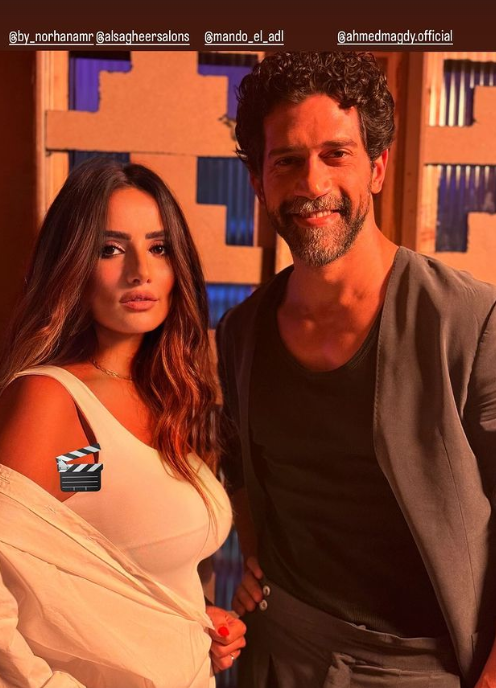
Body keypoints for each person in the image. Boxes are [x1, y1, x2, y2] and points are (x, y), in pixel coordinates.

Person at [216, 51, 496, 688]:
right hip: (279, 651)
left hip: (423, 666)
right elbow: (238, 467)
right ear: (258, 181)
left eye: (335, 154)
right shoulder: (241, 332)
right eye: (287, 160)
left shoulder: (468, 320)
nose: (312, 182)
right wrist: (254, 554)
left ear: (377, 167)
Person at [0, 157, 246, 688]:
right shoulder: (55, 400)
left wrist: (190, 618)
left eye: (158, 248)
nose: (140, 271)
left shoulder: (163, 401)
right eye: (110, 249)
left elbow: (89, 519)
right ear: (72, 264)